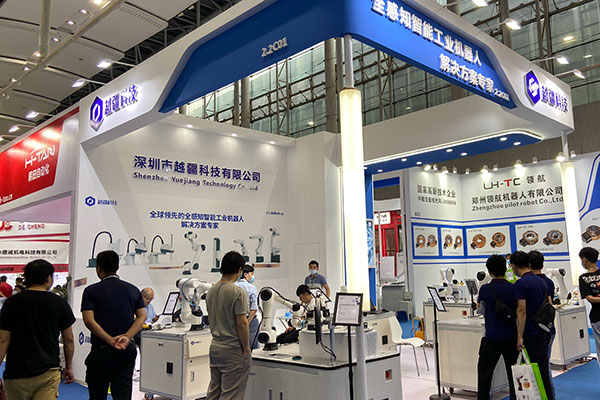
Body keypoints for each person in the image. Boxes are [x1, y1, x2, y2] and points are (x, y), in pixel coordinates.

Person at [0, 259, 76, 399]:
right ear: (48, 278)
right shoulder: (59, 303)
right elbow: (69, 339)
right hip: (48, 371)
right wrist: (69, 367)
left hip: (17, 372)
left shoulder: (11, 303)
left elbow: (3, 340)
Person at [81, 250, 146, 400]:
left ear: (98, 269)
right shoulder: (132, 289)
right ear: (117, 266)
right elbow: (142, 316)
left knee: (97, 395)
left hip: (101, 351)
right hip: (125, 350)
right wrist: (127, 337)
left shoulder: (91, 291)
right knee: (122, 394)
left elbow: (89, 320)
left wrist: (110, 340)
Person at [206, 251, 250, 400]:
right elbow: (242, 323)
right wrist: (246, 348)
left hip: (215, 347)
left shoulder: (211, 290)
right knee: (231, 394)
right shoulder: (237, 292)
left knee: (214, 392)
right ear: (239, 270)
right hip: (232, 349)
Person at [511, 251, 554, 400]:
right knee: (543, 371)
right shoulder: (541, 281)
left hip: (530, 331)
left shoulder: (521, 284)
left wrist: (519, 336)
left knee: (530, 371)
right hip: (542, 330)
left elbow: (522, 311)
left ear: (514, 266)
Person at [476, 255, 518, 400]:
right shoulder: (514, 288)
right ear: (505, 269)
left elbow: (480, 310)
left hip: (492, 337)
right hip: (511, 337)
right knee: (513, 374)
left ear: (489, 271)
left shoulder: (485, 289)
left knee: (484, 374)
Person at [528, 250, 556, 398]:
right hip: (548, 327)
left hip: (535, 329)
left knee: (540, 367)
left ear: (529, 264)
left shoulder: (528, 282)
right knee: (545, 365)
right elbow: (550, 306)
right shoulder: (549, 282)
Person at [578, 247, 600, 366]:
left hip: (597, 316)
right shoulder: (583, 277)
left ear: (585, 260)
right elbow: (589, 298)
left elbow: (590, 298)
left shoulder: (583, 278)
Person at [235, 264, 260, 350]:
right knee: (252, 348)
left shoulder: (234, 286)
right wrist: (247, 322)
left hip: (236, 320)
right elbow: (254, 308)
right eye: (251, 274)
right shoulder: (251, 287)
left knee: (239, 347)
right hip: (250, 320)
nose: (252, 276)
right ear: (245, 274)